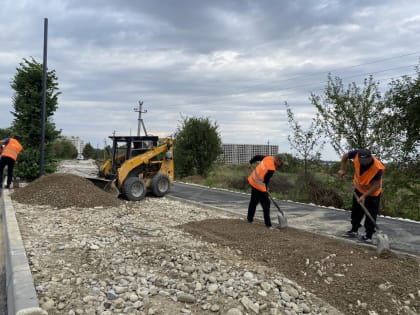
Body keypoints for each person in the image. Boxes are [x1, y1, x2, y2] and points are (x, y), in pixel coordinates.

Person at [338, 148, 385, 243]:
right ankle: (354, 230)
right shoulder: (356, 153)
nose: (363, 164)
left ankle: (369, 235)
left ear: (370, 158)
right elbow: (345, 156)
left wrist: (364, 196)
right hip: (359, 188)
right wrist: (342, 169)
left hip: (373, 193)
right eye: (361, 162)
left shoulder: (377, 168)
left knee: (370, 214)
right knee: (356, 211)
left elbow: (377, 185)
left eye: (366, 162)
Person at [247, 154, 284, 229]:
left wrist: (250, 162)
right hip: (258, 185)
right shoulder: (271, 168)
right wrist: (266, 188)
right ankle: (268, 225)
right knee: (266, 204)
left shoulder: (268, 158)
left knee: (254, 201)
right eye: (281, 163)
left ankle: (249, 219)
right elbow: (266, 180)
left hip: (252, 180)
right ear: (277, 161)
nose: (281, 164)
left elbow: (256, 157)